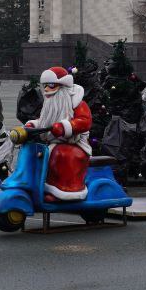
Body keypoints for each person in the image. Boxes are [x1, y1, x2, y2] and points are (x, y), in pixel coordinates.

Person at [24, 66, 91, 202]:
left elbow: (85, 121)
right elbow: (45, 120)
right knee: (35, 152)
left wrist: (65, 127)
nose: (46, 89)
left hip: (75, 143)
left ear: (62, 85)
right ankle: (38, 185)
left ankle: (66, 191)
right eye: (44, 85)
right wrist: (34, 125)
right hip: (52, 142)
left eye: (50, 85)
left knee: (62, 154)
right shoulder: (51, 101)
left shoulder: (77, 102)